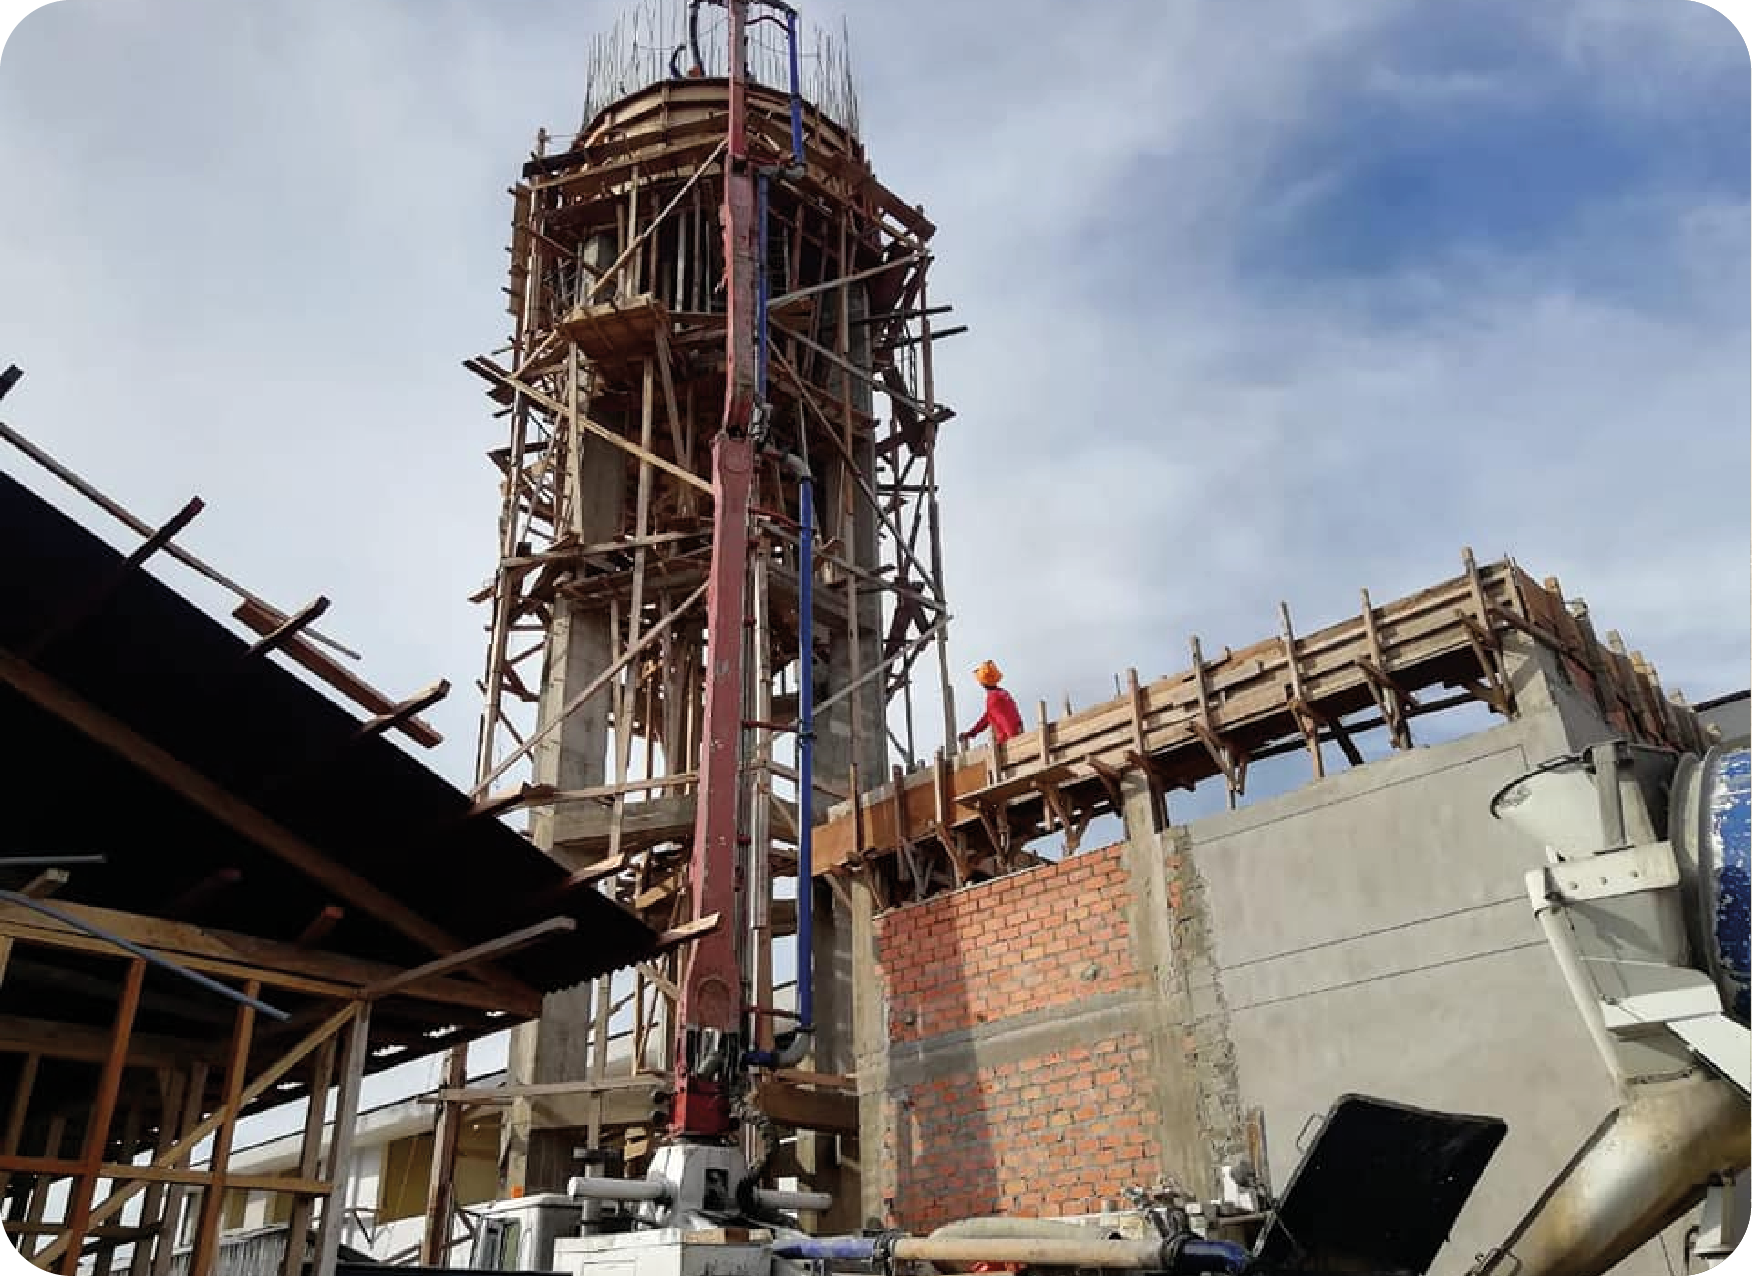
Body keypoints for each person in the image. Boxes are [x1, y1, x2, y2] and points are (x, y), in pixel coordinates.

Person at [958, 659, 1023, 748]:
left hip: (1008, 742)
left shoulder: (993, 698)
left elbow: (1004, 720)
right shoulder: (1003, 693)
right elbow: (987, 718)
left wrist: (1014, 741)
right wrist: (971, 733)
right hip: (1017, 736)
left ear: (983, 683)